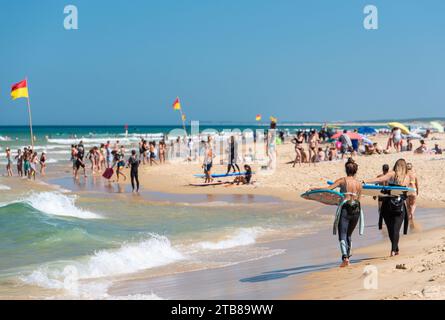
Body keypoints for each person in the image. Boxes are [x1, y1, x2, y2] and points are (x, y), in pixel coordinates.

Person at [311, 158, 363, 267]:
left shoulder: (342, 180)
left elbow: (328, 189)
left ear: (346, 170)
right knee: (349, 234)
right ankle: (348, 257)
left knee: (342, 234)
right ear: (355, 171)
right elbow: (358, 198)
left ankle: (345, 258)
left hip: (345, 208)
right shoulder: (359, 184)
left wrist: (316, 189)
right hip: (356, 210)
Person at [365, 159, 410, 257]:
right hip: (399, 206)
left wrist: (366, 181)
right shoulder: (407, 177)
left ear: (396, 165)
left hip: (387, 204)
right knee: (396, 229)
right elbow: (406, 192)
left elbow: (380, 179)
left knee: (391, 229)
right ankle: (394, 250)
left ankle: (394, 249)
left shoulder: (392, 173)